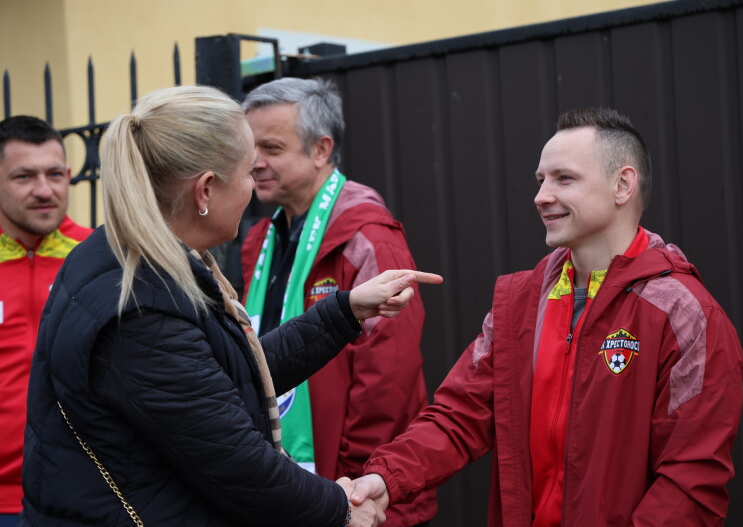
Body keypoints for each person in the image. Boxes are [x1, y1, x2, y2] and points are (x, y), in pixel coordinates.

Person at [19, 85, 441, 526]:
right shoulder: (144, 306)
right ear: (205, 190)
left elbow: (231, 374)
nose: (253, 184)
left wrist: (345, 310)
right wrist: (341, 508)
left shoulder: (123, 256)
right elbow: (236, 461)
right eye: (246, 171)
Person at [351, 107, 743, 526]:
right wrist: (385, 478)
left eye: (564, 178)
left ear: (623, 185)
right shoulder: (521, 302)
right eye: (541, 180)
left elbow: (689, 483)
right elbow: (460, 415)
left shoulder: (685, 314)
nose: (541, 196)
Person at [239, 78, 436, 526]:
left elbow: (388, 375)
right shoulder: (260, 239)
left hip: (359, 495)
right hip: (291, 490)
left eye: (271, 147)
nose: (255, 162)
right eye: (251, 148)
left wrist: (350, 484)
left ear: (321, 149)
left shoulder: (366, 235)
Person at [0, 115, 92, 525]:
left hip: (86, 495)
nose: (44, 190)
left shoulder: (100, 255)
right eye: (24, 176)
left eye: (55, 175)